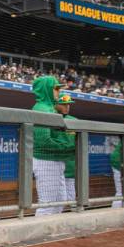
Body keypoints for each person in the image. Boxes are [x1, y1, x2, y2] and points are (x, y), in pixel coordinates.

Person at [31, 76, 73, 216]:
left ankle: (51, 232)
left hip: (54, 160)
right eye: (55, 88)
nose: (58, 91)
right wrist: (68, 148)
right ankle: (38, 235)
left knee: (60, 201)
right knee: (47, 205)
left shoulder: (50, 108)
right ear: (47, 89)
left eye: (58, 88)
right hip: (45, 161)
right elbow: (44, 141)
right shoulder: (42, 109)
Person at [54, 94, 78, 205]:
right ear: (56, 104)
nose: (67, 107)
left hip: (70, 162)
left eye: (68, 104)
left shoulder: (74, 121)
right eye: (64, 104)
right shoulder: (50, 118)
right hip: (55, 161)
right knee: (57, 195)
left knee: (70, 191)